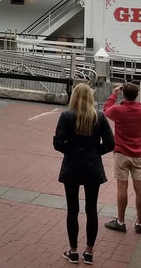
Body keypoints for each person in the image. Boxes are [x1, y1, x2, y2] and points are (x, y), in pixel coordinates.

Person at [53, 83, 115, 265]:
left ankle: (73, 252)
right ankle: (89, 252)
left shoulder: (66, 116)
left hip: (72, 166)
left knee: (72, 209)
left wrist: (70, 150)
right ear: (90, 97)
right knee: (91, 209)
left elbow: (58, 143)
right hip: (92, 167)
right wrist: (96, 152)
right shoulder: (99, 117)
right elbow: (110, 144)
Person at [103, 82, 141, 235]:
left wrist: (114, 94)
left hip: (122, 152)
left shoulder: (118, 110)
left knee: (122, 188)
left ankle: (121, 221)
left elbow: (106, 110)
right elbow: (140, 106)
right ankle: (139, 222)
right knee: (139, 188)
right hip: (139, 154)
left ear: (124, 94)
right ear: (136, 95)